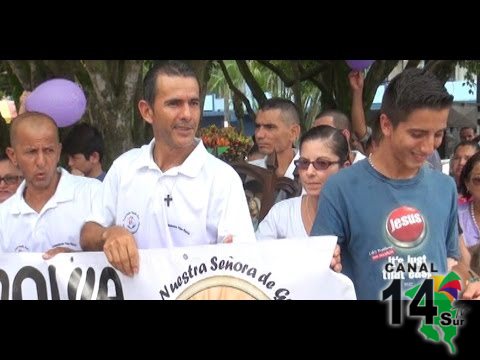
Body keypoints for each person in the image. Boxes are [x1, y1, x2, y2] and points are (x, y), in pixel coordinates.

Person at [80, 60, 255, 277]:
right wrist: (108, 234)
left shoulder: (222, 179)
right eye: (174, 104)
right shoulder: (124, 168)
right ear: (147, 111)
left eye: (193, 103)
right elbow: (88, 233)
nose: (187, 115)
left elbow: (240, 265)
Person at [311, 68, 460, 300]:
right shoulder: (341, 189)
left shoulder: (445, 187)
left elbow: (451, 262)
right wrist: (327, 261)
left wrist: (466, 285)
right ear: (387, 124)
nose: (429, 147)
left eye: (438, 134)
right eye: (417, 134)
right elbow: (318, 270)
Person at [0, 112, 100, 257]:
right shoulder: (3, 216)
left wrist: (75, 260)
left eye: (48, 151)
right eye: (31, 152)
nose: (41, 161)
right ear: (13, 156)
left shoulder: (92, 194)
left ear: (59, 152)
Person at [256, 125, 350, 239]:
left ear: (345, 168)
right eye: (304, 163)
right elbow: (255, 254)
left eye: (322, 163)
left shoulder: (359, 217)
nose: (309, 172)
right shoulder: (281, 214)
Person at [250, 98, 301, 179]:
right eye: (257, 126)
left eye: (270, 127)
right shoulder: (248, 173)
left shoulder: (315, 173)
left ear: (293, 132)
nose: (259, 135)